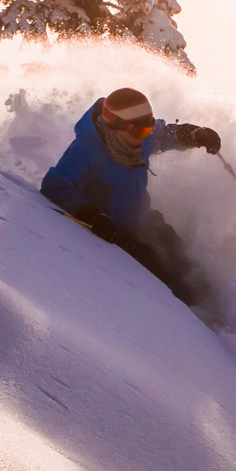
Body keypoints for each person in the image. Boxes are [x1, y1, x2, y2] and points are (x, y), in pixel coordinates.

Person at [41, 86, 223, 307]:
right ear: (116, 126)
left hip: (143, 219)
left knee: (184, 260)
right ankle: (191, 320)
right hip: (114, 231)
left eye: (147, 130)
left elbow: (165, 134)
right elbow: (55, 184)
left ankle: (218, 310)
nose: (144, 138)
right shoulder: (87, 149)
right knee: (165, 277)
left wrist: (193, 135)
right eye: (139, 132)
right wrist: (92, 215)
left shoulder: (139, 137)